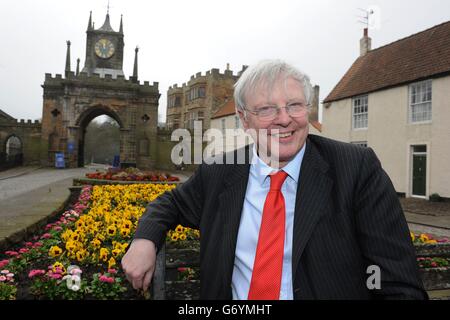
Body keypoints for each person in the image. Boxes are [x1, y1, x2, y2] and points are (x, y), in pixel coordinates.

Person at [122, 59, 427, 300]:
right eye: (267, 109)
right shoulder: (220, 172)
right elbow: (170, 203)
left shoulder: (356, 169)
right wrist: (144, 239)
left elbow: (399, 283)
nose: (284, 118)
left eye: (294, 105)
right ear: (244, 119)